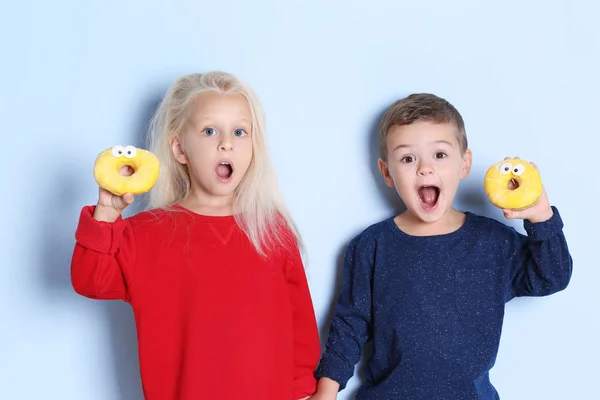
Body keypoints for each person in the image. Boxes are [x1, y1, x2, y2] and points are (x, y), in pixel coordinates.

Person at [70, 71, 321, 400]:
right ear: (179, 148)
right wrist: (107, 212)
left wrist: (304, 393)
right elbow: (90, 280)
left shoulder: (271, 231)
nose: (226, 142)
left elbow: (300, 335)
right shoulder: (144, 233)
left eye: (240, 131)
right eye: (209, 130)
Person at [310, 93, 573, 399]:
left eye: (440, 155)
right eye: (408, 158)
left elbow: (551, 277)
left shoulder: (493, 243)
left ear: (465, 163)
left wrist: (541, 217)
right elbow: (349, 328)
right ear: (387, 173)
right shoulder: (371, 246)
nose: (425, 169)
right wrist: (325, 394)